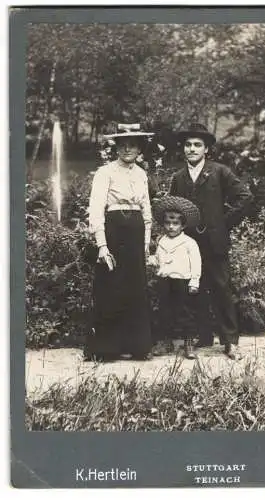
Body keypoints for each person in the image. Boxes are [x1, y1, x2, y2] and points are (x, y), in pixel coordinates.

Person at [169, 123, 253, 360]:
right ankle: (199, 337)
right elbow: (174, 209)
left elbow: (245, 197)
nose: (192, 149)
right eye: (188, 145)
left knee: (222, 288)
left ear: (206, 149)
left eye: (197, 145)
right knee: (192, 289)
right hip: (188, 244)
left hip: (215, 242)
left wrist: (223, 223)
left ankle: (230, 341)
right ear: (183, 149)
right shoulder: (178, 177)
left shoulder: (220, 172)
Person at [84, 123, 154, 362]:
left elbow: (146, 209)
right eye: (123, 145)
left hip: (135, 232)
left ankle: (136, 346)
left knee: (135, 285)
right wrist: (102, 245)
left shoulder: (142, 174)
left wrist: (146, 242)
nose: (128, 149)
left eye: (132, 144)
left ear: (139, 148)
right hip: (114, 230)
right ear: (116, 147)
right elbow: (96, 209)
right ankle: (106, 348)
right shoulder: (105, 172)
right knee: (112, 283)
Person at [149, 196, 202, 359]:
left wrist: (194, 281)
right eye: (167, 223)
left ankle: (189, 343)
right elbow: (159, 260)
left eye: (175, 224)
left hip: (182, 281)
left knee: (185, 312)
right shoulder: (162, 241)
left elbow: (196, 263)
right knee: (164, 311)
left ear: (183, 225)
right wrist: (152, 260)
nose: (171, 227)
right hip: (165, 280)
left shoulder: (189, 242)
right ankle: (166, 342)